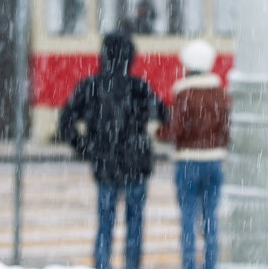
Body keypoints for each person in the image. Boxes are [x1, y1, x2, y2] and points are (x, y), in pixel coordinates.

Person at [58, 31, 168, 269]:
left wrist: (86, 147)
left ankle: (102, 265)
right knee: (135, 226)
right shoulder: (139, 87)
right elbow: (163, 114)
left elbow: (65, 121)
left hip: (105, 165)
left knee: (105, 224)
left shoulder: (91, 86)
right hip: (136, 165)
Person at [157, 39, 231, 269]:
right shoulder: (220, 94)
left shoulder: (184, 93)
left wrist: (157, 131)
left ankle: (189, 264)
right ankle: (210, 264)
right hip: (214, 163)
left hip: (188, 162)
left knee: (188, 218)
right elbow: (227, 131)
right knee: (211, 219)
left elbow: (175, 131)